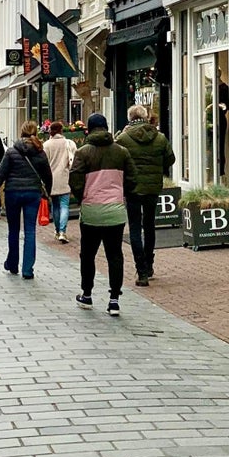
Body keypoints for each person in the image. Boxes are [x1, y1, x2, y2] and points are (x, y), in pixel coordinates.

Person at [69, 113, 136, 316]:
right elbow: (132, 179)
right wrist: (120, 195)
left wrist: (83, 198)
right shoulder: (121, 152)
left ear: (89, 129)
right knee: (115, 255)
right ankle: (114, 299)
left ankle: (87, 294)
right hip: (115, 211)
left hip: (91, 211)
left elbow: (75, 179)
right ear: (107, 128)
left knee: (87, 254)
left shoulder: (83, 153)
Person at [117, 105, 176, 286]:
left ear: (130, 118)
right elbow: (170, 159)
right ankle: (149, 264)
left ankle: (141, 270)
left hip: (133, 188)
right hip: (152, 188)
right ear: (146, 117)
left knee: (134, 227)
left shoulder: (123, 138)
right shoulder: (159, 138)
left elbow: (117, 160)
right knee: (149, 225)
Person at [0, 121, 52, 280]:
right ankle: (28, 269)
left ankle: (13, 263)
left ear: (21, 132)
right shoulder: (40, 152)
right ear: (35, 132)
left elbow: (0, 175)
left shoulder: (11, 152)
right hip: (32, 194)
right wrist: (47, 193)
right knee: (30, 230)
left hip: (13, 193)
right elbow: (48, 176)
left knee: (13, 230)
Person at [42, 120, 77, 243]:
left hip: (51, 180)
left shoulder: (46, 145)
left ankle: (57, 230)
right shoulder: (69, 143)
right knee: (64, 205)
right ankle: (63, 231)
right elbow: (75, 160)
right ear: (61, 130)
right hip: (65, 178)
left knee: (55, 206)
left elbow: (43, 163)